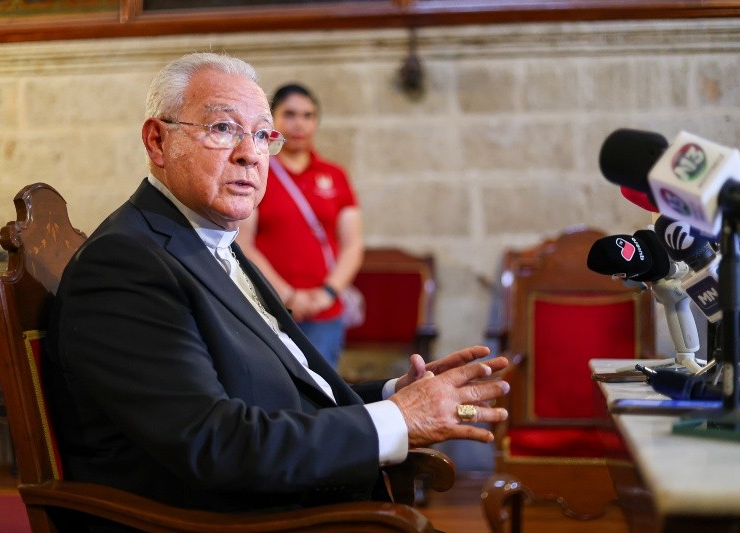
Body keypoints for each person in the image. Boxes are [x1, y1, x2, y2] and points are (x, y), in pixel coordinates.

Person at [45, 52, 509, 524]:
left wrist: (394, 394)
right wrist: (399, 420)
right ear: (158, 141)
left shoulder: (205, 241)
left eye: (263, 134)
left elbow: (275, 390)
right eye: (223, 128)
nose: (251, 153)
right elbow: (215, 443)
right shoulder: (127, 262)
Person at [236, 83, 361, 369]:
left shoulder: (335, 175)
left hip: (324, 311)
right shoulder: (257, 169)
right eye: (289, 114)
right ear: (273, 121)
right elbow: (244, 242)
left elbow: (352, 243)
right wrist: (287, 295)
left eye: (308, 115)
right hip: (269, 306)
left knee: (322, 394)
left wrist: (328, 293)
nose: (299, 123)